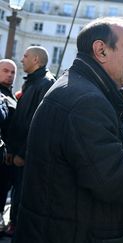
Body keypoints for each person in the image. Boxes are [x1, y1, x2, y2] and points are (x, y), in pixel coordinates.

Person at [14, 17, 123, 243]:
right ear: (101, 51)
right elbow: (113, 180)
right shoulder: (86, 101)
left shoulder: (81, 88)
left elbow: (93, 168)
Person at [6, 46, 56, 237]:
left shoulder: (45, 83)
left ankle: (17, 227)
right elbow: (21, 119)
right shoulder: (33, 82)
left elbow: (38, 123)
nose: (22, 59)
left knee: (23, 194)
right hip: (17, 152)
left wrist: (23, 153)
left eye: (25, 56)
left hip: (27, 156)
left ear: (36, 60)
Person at [0, 59, 15, 233]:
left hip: (6, 156)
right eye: (6, 71)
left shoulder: (10, 95)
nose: (10, 75)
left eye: (12, 72)